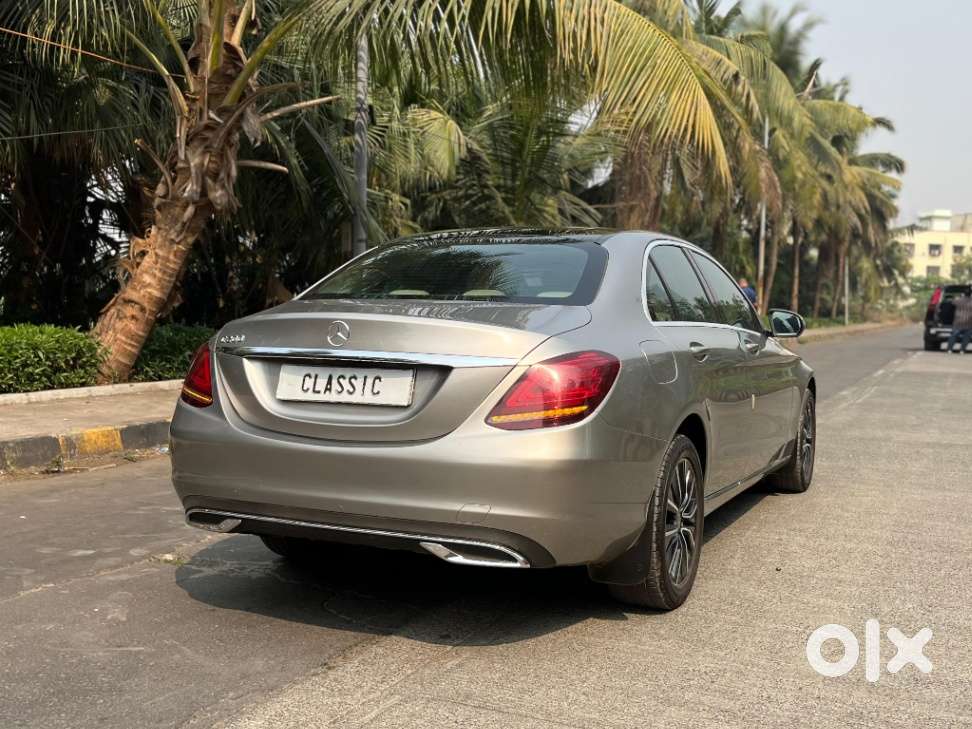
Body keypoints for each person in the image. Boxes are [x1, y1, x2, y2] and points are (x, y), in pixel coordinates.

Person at [947, 289, 972, 354]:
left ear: (964, 294)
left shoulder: (958, 300)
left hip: (958, 322)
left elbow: (950, 301)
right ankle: (962, 350)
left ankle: (950, 349)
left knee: (954, 335)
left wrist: (957, 297)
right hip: (969, 322)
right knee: (966, 337)